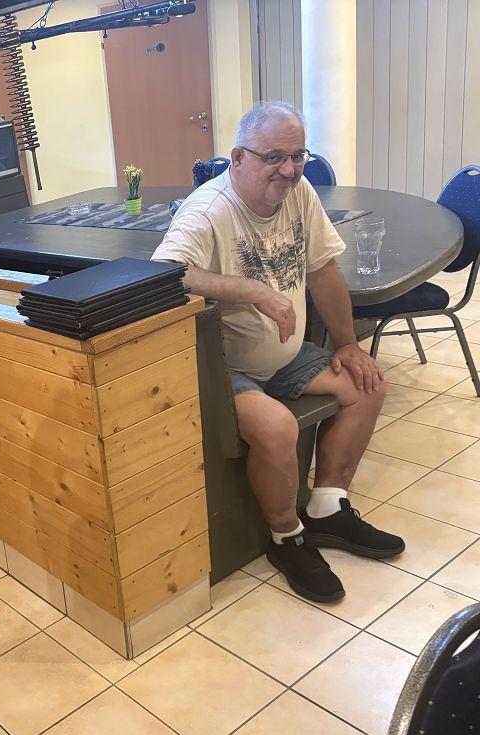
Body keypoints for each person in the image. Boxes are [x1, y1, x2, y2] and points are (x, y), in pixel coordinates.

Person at [151, 101, 404, 604]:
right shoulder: (209, 210)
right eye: (273, 158)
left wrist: (348, 343)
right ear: (237, 157)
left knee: (367, 384)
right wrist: (254, 290)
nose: (288, 170)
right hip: (226, 368)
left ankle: (327, 508)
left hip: (285, 357)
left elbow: (323, 270)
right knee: (278, 427)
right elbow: (166, 273)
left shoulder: (298, 192)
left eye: (297, 156)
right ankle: (287, 539)